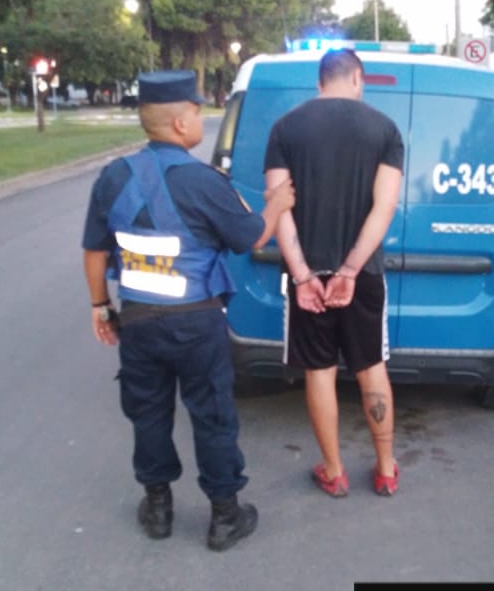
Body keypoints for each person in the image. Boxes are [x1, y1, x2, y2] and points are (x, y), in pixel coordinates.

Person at [82, 70, 294, 551]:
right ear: (180, 123)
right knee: (212, 414)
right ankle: (225, 516)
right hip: (197, 323)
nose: (201, 119)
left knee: (148, 413)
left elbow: (94, 250)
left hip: (138, 322)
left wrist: (99, 305)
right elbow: (250, 237)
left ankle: (158, 509)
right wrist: (277, 204)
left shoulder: (113, 177)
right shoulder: (203, 182)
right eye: (198, 112)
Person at [263, 47, 404, 497]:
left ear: (320, 81)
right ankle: (386, 469)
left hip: (308, 277)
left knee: (319, 371)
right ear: (357, 78)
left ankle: (334, 471)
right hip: (361, 277)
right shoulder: (385, 130)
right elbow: (384, 208)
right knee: (371, 367)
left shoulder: (285, 128)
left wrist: (303, 275)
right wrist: (350, 268)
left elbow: (279, 208)